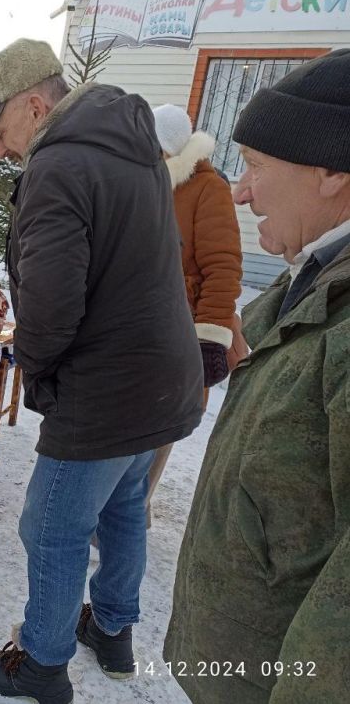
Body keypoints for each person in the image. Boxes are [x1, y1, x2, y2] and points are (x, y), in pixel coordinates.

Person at [0, 38, 203, 703]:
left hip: (108, 390)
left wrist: (34, 368)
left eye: (0, 132)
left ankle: (41, 664)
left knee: (51, 527)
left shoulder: (59, 165)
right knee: (124, 506)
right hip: (163, 378)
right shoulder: (136, 149)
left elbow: (53, 304)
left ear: (34, 106)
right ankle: (114, 631)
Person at [165, 49, 350, 704]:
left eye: (256, 167)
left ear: (331, 170)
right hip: (243, 666)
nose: (241, 191)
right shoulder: (309, 280)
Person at [145, 104, 243, 525]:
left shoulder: (208, 189)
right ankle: (122, 509)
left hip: (183, 326)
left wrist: (209, 337)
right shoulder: (149, 182)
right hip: (143, 321)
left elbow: (223, 266)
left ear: (167, 149)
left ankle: (137, 505)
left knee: (163, 419)